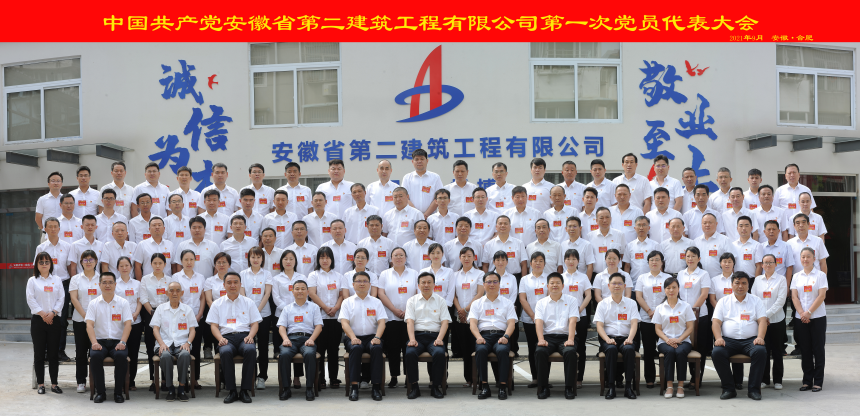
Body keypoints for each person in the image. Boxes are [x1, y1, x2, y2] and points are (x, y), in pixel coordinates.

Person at [206, 272, 263, 404]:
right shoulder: (217, 303)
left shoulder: (248, 302)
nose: (232, 285)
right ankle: (231, 391)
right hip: (226, 338)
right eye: (229, 282)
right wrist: (220, 338)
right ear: (224, 285)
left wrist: (251, 336)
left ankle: (244, 390)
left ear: (240, 284)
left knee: (250, 350)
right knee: (225, 352)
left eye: (235, 282)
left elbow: (255, 323)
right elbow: (214, 326)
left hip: (245, 336)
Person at [711, 272, 768, 400]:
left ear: (748, 285)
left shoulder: (756, 301)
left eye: (744, 283)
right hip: (728, 341)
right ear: (732, 285)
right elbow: (716, 323)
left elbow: (762, 321)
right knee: (717, 353)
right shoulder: (723, 301)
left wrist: (760, 337)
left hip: (750, 341)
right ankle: (729, 389)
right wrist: (718, 338)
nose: (740, 286)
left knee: (760, 351)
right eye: (737, 283)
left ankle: (753, 390)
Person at [85, 272, 132, 403]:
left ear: (115, 284)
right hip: (100, 341)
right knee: (95, 356)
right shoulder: (93, 303)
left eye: (110, 282)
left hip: (118, 341)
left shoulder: (123, 303)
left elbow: (128, 324)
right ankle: (101, 392)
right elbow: (89, 325)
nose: (107, 285)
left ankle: (118, 393)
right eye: (104, 282)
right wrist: (94, 343)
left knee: (121, 356)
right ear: (99, 285)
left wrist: (123, 342)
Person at [469, 271, 517, 400]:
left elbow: (511, 324)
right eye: (489, 282)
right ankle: (485, 387)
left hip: (501, 335)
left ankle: (502, 386)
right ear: (483, 284)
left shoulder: (507, 303)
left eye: (495, 281)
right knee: (481, 350)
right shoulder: (476, 303)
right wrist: (478, 337)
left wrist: (506, 337)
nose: (492, 284)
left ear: (499, 284)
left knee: (502, 350)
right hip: (484, 336)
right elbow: (473, 324)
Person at [340, 271, 387, 401]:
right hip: (353, 336)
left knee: (377, 349)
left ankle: (376, 387)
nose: (362, 284)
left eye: (365, 281)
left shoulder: (376, 302)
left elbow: (382, 322)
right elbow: (344, 323)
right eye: (359, 281)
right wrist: (353, 337)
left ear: (370, 284)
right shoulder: (347, 302)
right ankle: (354, 387)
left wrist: (377, 337)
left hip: (372, 336)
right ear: (353, 284)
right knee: (355, 348)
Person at [404, 271, 452, 399]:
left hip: (434, 337)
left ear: (434, 285)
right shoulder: (412, 301)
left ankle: (435, 386)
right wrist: (412, 339)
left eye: (429, 282)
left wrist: (440, 339)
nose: (426, 285)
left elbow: (445, 322)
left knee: (439, 353)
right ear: (418, 285)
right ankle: (414, 387)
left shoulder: (440, 301)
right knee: (410, 353)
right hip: (417, 337)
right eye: (423, 282)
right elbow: (410, 321)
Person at [594, 272, 641, 399]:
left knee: (629, 349)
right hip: (609, 338)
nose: (617, 286)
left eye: (620, 283)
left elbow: (634, 324)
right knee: (611, 350)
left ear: (625, 286)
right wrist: (607, 339)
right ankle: (611, 387)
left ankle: (628, 387)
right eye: (614, 283)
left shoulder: (631, 303)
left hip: (626, 338)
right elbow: (599, 326)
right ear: (608, 286)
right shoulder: (602, 304)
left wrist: (630, 339)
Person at [377, 247, 419, 387]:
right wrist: (394, 310)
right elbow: (381, 293)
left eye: (401, 255)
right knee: (393, 348)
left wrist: (407, 310)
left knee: (408, 348)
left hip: (409, 318)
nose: (399, 258)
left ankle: (409, 377)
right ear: (391, 258)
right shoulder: (385, 274)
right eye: (396, 255)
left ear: (406, 258)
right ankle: (394, 376)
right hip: (391, 317)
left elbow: (417, 293)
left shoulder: (414, 273)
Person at [534, 272, 579, 400]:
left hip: (566, 337)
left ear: (563, 285)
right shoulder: (541, 303)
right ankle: (543, 387)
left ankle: (569, 387)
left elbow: (572, 321)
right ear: (547, 286)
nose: (555, 285)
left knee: (570, 352)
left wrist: (570, 339)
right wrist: (541, 339)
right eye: (552, 283)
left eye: (558, 283)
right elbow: (538, 322)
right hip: (548, 337)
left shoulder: (572, 300)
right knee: (540, 351)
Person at [308, 246, 348, 389]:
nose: (325, 260)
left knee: (334, 349)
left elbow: (342, 294)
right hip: (319, 317)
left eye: (327, 257)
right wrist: (325, 308)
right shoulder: (313, 275)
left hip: (335, 318)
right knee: (320, 349)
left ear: (332, 259)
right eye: (322, 257)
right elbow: (312, 293)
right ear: (318, 260)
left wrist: (336, 308)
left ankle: (333, 378)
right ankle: (320, 379)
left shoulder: (339, 276)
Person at [150, 281, 198, 402]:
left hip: (182, 343)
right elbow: (155, 329)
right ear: (167, 293)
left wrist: (188, 343)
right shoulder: (161, 309)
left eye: (177, 290)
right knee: (165, 356)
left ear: (182, 293)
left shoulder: (187, 309)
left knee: (185, 355)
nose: (174, 293)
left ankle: (181, 388)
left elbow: (192, 330)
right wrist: (161, 343)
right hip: (164, 343)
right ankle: (170, 388)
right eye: (171, 290)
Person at [276, 279, 322, 401]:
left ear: (307, 291)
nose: (300, 291)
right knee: (284, 354)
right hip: (291, 338)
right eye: (297, 289)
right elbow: (282, 327)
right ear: (292, 292)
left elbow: (318, 326)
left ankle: (309, 388)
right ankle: (286, 388)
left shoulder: (314, 307)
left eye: (303, 289)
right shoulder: (287, 308)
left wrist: (312, 339)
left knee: (310, 353)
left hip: (307, 338)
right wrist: (285, 339)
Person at [35, 217, 73, 362]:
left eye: (55, 226)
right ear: (45, 229)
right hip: (45, 284)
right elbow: (36, 268)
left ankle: (60, 351)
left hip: (63, 284)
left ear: (59, 228)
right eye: (49, 226)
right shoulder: (41, 248)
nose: (52, 229)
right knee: (46, 317)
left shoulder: (67, 246)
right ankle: (46, 351)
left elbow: (70, 267)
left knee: (61, 320)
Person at [791, 247, 828, 392]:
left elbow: (821, 296)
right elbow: (794, 297)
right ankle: (807, 381)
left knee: (818, 349)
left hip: (817, 317)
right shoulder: (796, 276)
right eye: (803, 257)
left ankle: (818, 381)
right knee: (805, 350)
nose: (805, 259)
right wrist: (802, 313)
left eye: (808, 256)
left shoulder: (820, 275)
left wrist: (809, 312)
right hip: (800, 318)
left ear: (814, 259)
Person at [27, 252, 65, 395]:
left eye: (46, 262)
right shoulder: (32, 281)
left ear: (51, 264)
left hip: (54, 320)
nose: (44, 264)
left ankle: (54, 384)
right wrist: (43, 314)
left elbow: (61, 298)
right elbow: (30, 299)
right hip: (38, 321)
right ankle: (41, 384)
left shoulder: (57, 279)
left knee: (53, 353)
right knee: (39, 353)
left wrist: (53, 313)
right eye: (41, 262)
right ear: (37, 265)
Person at [271, 249, 310, 383]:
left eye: (291, 259)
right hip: (281, 315)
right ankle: (284, 379)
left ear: (295, 261)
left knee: (298, 344)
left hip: (299, 315)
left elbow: (305, 295)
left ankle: (297, 377)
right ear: (281, 261)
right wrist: (288, 310)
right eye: (285, 259)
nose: (288, 261)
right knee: (285, 349)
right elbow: (276, 297)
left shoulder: (302, 277)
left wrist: (294, 310)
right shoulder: (276, 278)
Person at [634, 251, 672, 389]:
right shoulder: (642, 278)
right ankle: (649, 378)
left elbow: (670, 295)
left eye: (657, 259)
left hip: (664, 319)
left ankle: (666, 378)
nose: (654, 262)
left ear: (662, 262)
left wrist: (659, 312)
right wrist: (650, 311)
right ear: (648, 262)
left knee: (666, 349)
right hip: (647, 318)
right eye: (651, 260)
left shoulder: (668, 278)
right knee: (649, 350)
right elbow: (639, 297)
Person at [653, 277, 696, 399]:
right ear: (664, 290)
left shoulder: (686, 306)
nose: (671, 290)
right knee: (670, 351)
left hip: (683, 341)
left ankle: (681, 386)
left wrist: (679, 339)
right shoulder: (660, 308)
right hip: (664, 341)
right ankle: (670, 386)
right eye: (668, 288)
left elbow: (690, 327)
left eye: (674, 287)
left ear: (678, 289)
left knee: (680, 351)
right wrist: (667, 340)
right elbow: (657, 329)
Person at [751, 254, 788, 390]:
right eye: (765, 263)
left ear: (776, 264)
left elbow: (781, 300)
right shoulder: (757, 280)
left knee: (777, 351)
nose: (768, 265)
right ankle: (764, 379)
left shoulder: (781, 279)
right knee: (763, 350)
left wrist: (765, 315)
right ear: (761, 265)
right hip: (761, 322)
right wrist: (761, 317)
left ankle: (778, 380)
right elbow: (753, 298)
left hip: (777, 320)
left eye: (770, 262)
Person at [172, 249, 207, 388]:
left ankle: (195, 379)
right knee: (182, 348)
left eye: (191, 259)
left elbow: (202, 297)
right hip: (181, 318)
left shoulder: (200, 277)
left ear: (195, 260)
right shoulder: (176, 277)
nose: (189, 262)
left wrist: (199, 314)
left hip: (198, 317)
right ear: (181, 261)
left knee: (196, 348)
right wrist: (187, 315)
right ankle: (183, 379)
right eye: (186, 259)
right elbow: (176, 296)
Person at [676, 247, 711, 383]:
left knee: (699, 347)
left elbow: (704, 295)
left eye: (693, 256)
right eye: (688, 256)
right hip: (682, 316)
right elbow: (677, 293)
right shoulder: (680, 274)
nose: (690, 259)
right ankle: (684, 377)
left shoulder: (704, 274)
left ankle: (696, 379)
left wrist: (692, 311)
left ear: (699, 258)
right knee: (686, 346)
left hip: (700, 316)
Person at [69, 249, 101, 393]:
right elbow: (74, 298)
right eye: (85, 260)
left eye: (91, 259)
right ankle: (81, 381)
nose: (88, 262)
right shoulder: (75, 279)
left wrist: (92, 317)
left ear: (96, 261)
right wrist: (85, 315)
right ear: (81, 262)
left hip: (98, 321)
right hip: (80, 320)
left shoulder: (101, 278)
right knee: (81, 352)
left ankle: (96, 381)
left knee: (95, 351)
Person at [452, 247, 484, 381]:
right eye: (463, 256)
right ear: (460, 258)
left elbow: (480, 293)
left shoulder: (480, 274)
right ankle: (469, 379)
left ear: (474, 258)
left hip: (474, 316)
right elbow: (453, 295)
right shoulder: (454, 275)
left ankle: (479, 378)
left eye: (469, 256)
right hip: (460, 317)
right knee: (465, 349)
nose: (466, 258)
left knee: (475, 347)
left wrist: (466, 310)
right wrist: (460, 310)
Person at [560, 249, 592, 388]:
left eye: (574, 259)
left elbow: (588, 295)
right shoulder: (561, 277)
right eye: (568, 259)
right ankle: (568, 377)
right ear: (564, 261)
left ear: (578, 261)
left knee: (581, 347)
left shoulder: (583, 277)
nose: (571, 261)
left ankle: (579, 378)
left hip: (581, 316)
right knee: (567, 346)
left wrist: (578, 310)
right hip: (564, 317)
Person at [140, 253, 171, 390]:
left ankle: (164, 380)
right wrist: (153, 313)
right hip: (150, 313)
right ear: (151, 264)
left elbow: (172, 297)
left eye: (160, 263)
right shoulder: (145, 279)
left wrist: (162, 313)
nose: (157, 266)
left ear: (165, 264)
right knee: (150, 346)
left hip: (166, 314)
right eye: (155, 263)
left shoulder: (170, 280)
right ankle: (154, 380)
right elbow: (143, 298)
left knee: (165, 345)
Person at [518, 252, 549, 387]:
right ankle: (535, 378)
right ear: (530, 263)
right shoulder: (524, 280)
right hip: (529, 319)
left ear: (544, 264)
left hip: (546, 320)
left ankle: (545, 379)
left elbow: (550, 298)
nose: (538, 263)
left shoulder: (549, 278)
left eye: (541, 261)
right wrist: (533, 316)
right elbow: (522, 299)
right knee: (532, 348)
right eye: (535, 261)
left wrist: (540, 318)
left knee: (545, 348)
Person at [114, 257, 143, 390]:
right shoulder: (115, 283)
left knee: (133, 352)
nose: (124, 268)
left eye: (127, 265)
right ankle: (120, 381)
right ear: (117, 268)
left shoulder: (137, 284)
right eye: (121, 266)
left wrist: (136, 313)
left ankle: (131, 381)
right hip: (120, 323)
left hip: (135, 322)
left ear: (131, 267)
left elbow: (140, 300)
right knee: (121, 353)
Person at [487, 250, 520, 354]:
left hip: (508, 310)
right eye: (497, 260)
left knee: (511, 330)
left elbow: (514, 294)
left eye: (503, 260)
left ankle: (512, 350)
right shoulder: (489, 277)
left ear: (507, 262)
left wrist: (507, 307)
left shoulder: (512, 278)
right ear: (493, 262)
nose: (500, 262)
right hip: (492, 309)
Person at [401, 149, 443, 218]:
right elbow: (404, 197)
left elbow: (439, 197)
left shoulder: (435, 177)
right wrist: (417, 214)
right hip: (412, 216)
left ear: (427, 161)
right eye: (416, 159)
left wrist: (426, 215)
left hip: (431, 217)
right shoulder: (407, 178)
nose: (419, 161)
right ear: (412, 162)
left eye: (422, 159)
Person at [586, 207, 627, 274]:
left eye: (607, 217)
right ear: (596, 220)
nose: (605, 220)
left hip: (615, 275)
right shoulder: (590, 236)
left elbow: (622, 255)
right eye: (601, 218)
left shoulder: (620, 235)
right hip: (596, 275)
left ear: (611, 219)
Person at [623, 216, 658, 289]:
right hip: (634, 284)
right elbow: (627, 266)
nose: (641, 228)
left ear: (649, 228)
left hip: (651, 284)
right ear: (635, 228)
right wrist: (627, 283)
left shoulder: (655, 245)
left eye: (644, 225)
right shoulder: (630, 246)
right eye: (639, 225)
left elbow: (660, 265)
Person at [694, 213, 732, 277]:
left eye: (710, 222)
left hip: (719, 279)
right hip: (700, 278)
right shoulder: (696, 242)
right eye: (705, 223)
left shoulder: (725, 240)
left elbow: (731, 261)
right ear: (701, 224)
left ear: (716, 224)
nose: (707, 225)